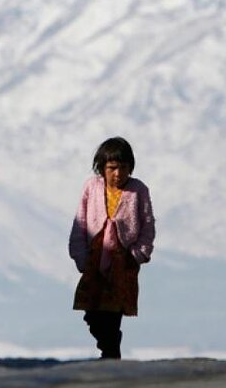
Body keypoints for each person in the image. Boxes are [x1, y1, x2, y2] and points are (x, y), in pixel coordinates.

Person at [68, 136, 156, 359]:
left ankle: (110, 354)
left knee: (113, 312)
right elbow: (80, 222)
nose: (118, 174)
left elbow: (147, 225)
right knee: (91, 312)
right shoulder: (92, 187)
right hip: (95, 259)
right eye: (112, 168)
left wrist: (137, 254)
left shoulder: (138, 190)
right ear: (102, 168)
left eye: (123, 168)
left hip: (123, 261)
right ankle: (110, 347)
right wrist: (80, 255)